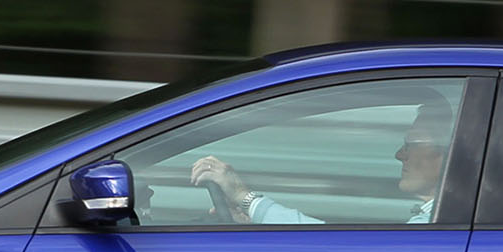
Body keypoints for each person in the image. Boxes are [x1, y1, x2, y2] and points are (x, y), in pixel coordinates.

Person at [189, 99, 454, 225]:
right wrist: (251, 223)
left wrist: (245, 197)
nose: (400, 154)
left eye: (411, 144)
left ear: (448, 152)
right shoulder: (442, 220)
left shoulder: (442, 227)